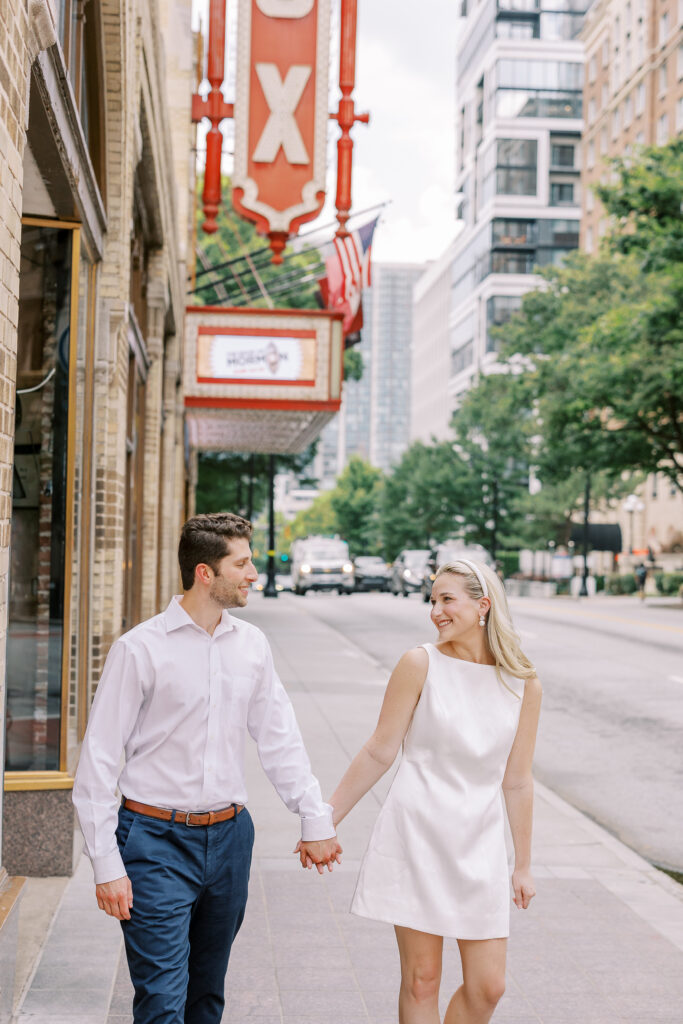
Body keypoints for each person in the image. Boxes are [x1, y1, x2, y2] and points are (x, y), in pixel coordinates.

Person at [73, 512, 342, 1024]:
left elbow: (279, 737)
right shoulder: (139, 649)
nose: (253, 575)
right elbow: (98, 764)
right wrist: (105, 863)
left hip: (229, 840)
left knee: (206, 996)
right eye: (241, 564)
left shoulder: (252, 645)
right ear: (205, 573)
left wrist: (314, 816)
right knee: (161, 1000)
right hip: (153, 841)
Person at [325, 558, 542, 1024]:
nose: (436, 611)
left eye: (447, 600)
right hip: (416, 833)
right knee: (422, 979)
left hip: (480, 844)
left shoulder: (522, 683)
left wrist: (522, 864)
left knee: (489, 986)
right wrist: (324, 819)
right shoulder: (419, 663)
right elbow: (379, 751)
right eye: (432, 600)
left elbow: (518, 779)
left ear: (483, 606)